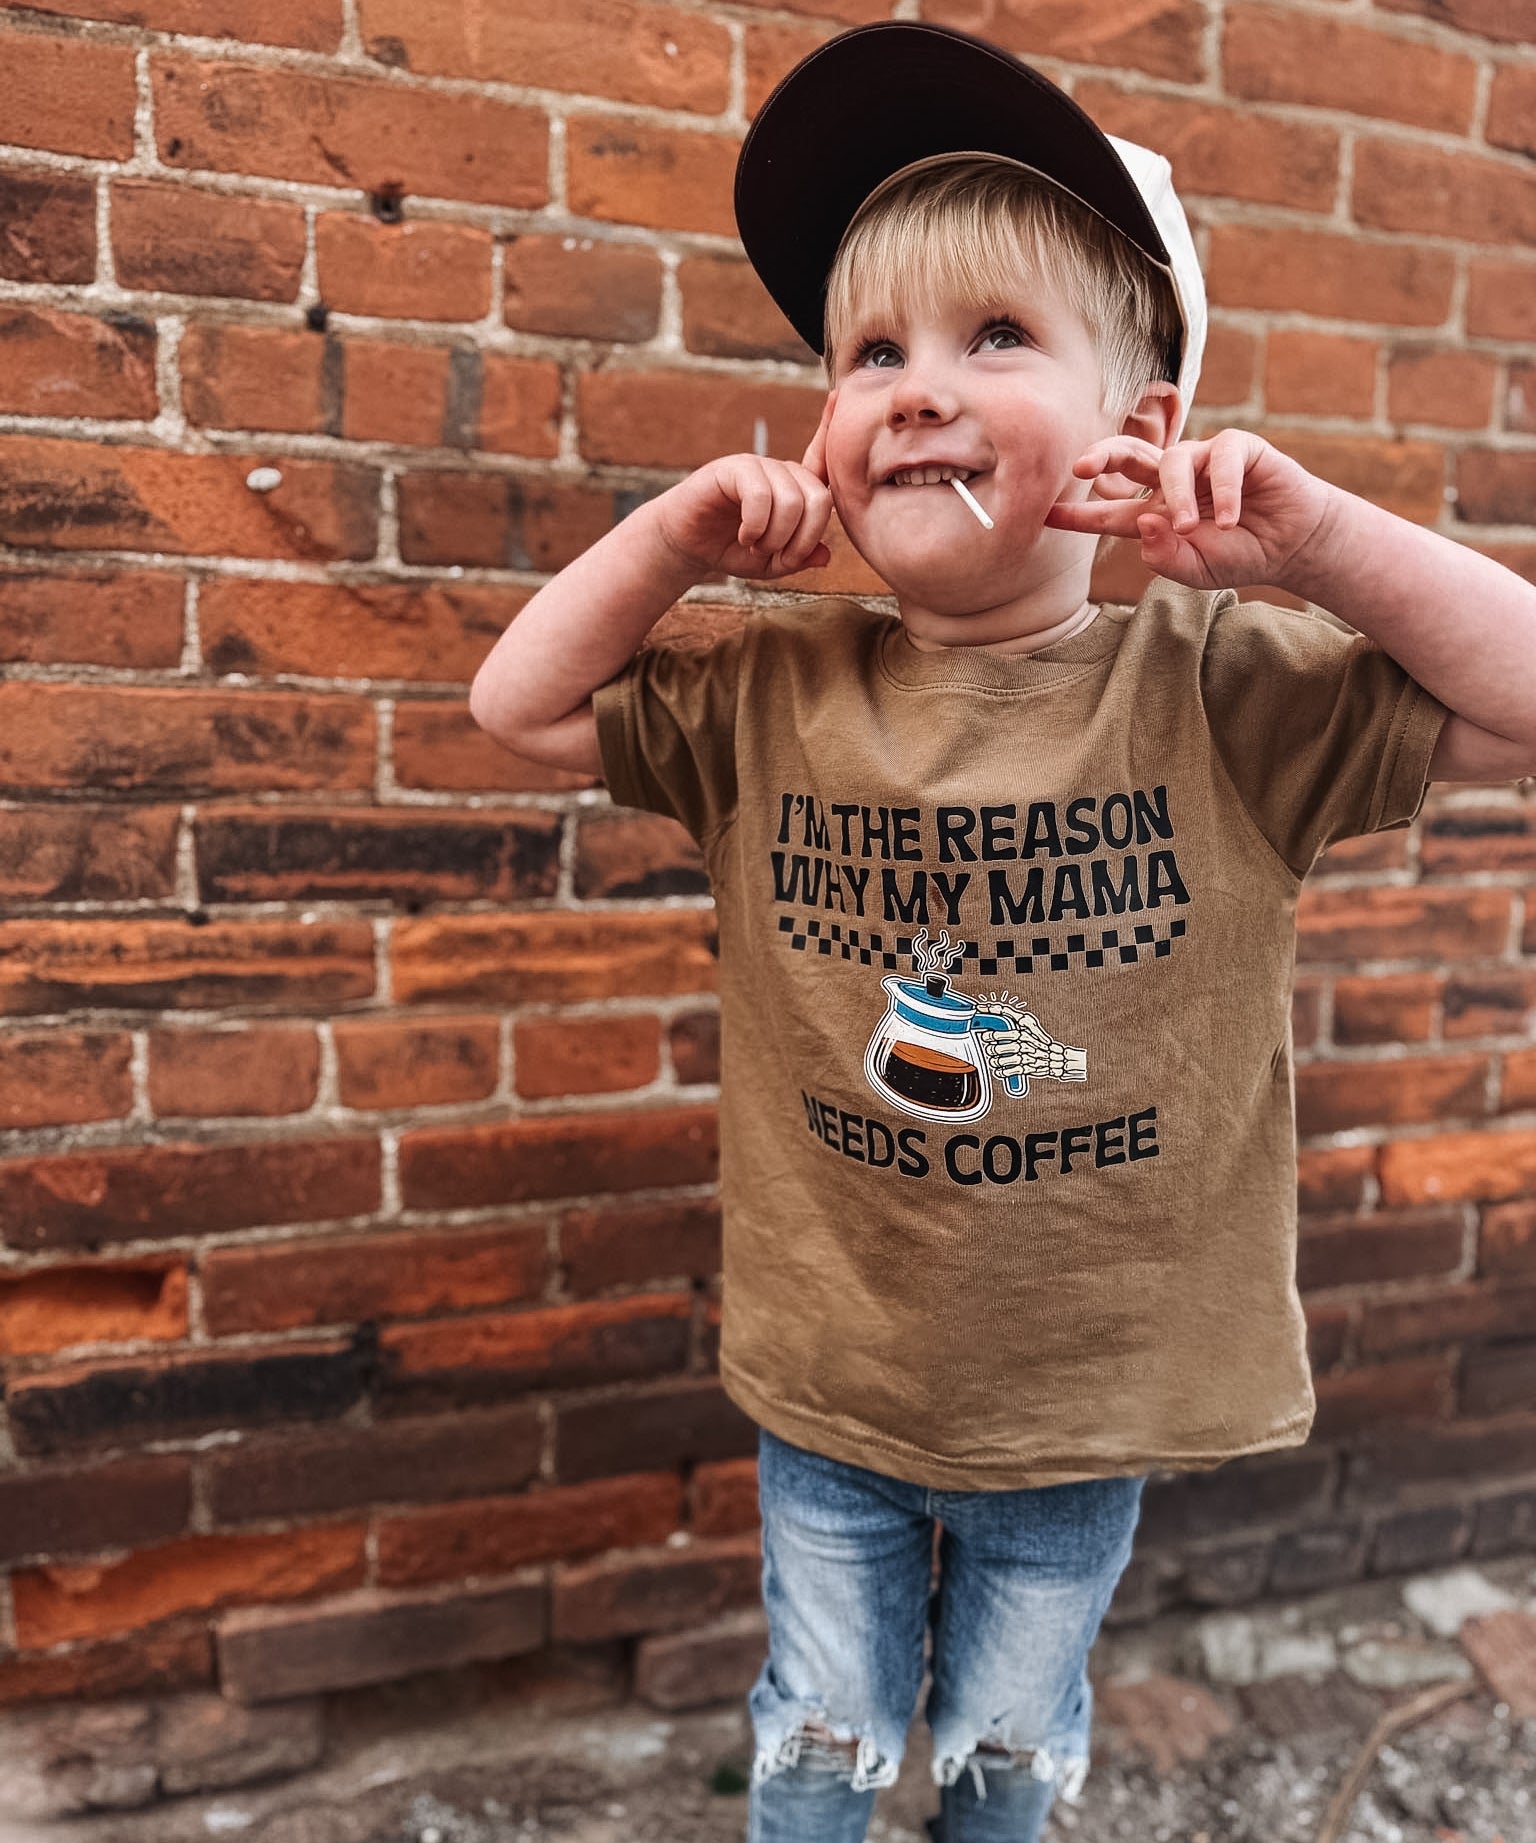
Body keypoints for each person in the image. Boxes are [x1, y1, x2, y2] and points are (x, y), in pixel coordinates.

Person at [469, 22, 1536, 1842]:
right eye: (868, 350)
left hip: (1084, 1384)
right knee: (818, 1726)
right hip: (836, 1371)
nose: (914, 387)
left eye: (994, 338)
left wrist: (1318, 547)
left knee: (1008, 1745)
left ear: (1143, 434)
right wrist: (671, 542)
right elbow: (519, 706)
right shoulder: (773, 685)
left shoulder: (1222, 687)